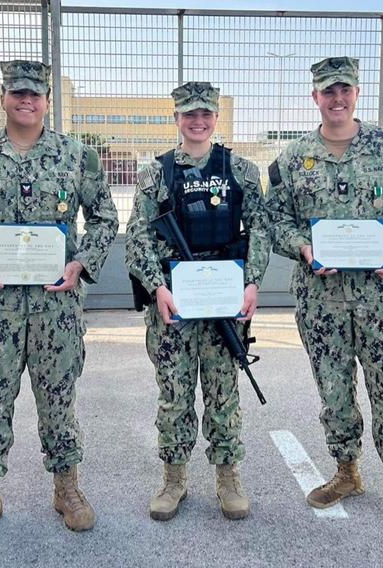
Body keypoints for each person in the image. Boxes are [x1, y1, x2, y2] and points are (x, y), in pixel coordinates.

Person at [264, 57, 383, 540]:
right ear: (315, 98)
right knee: (334, 393)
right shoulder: (293, 158)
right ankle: (347, 471)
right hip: (321, 300)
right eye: (328, 91)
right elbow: (275, 220)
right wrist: (303, 248)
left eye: (345, 89)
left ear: (356, 93)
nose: (337, 99)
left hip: (381, 299)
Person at [0, 60, 118, 541]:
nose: (26, 101)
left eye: (34, 94)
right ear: (3, 98)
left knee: (59, 401)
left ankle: (67, 488)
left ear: (46, 100)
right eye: (17, 93)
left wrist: (80, 263)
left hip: (55, 308)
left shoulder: (75, 156)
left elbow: (104, 218)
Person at [124, 81, 270, 521]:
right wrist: (157, 287)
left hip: (225, 298)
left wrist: (252, 283)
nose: (198, 121)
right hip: (175, 302)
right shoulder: (157, 173)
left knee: (224, 393)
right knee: (173, 394)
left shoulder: (241, 169)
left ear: (215, 118)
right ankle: (174, 479)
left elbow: (260, 227)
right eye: (189, 114)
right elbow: (138, 236)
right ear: (177, 119)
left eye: (206, 113)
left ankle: (227, 478)